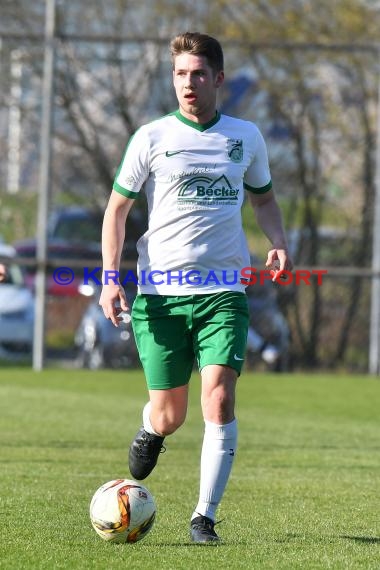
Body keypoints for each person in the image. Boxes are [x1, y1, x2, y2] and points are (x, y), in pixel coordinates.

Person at [99, 31, 293, 544]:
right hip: (160, 296)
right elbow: (117, 209)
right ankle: (151, 428)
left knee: (220, 397)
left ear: (218, 79)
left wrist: (277, 240)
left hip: (224, 292)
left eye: (198, 74)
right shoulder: (151, 137)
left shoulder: (245, 137)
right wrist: (110, 278)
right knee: (170, 415)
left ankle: (203, 516)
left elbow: (265, 199)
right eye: (181, 74)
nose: (188, 83)